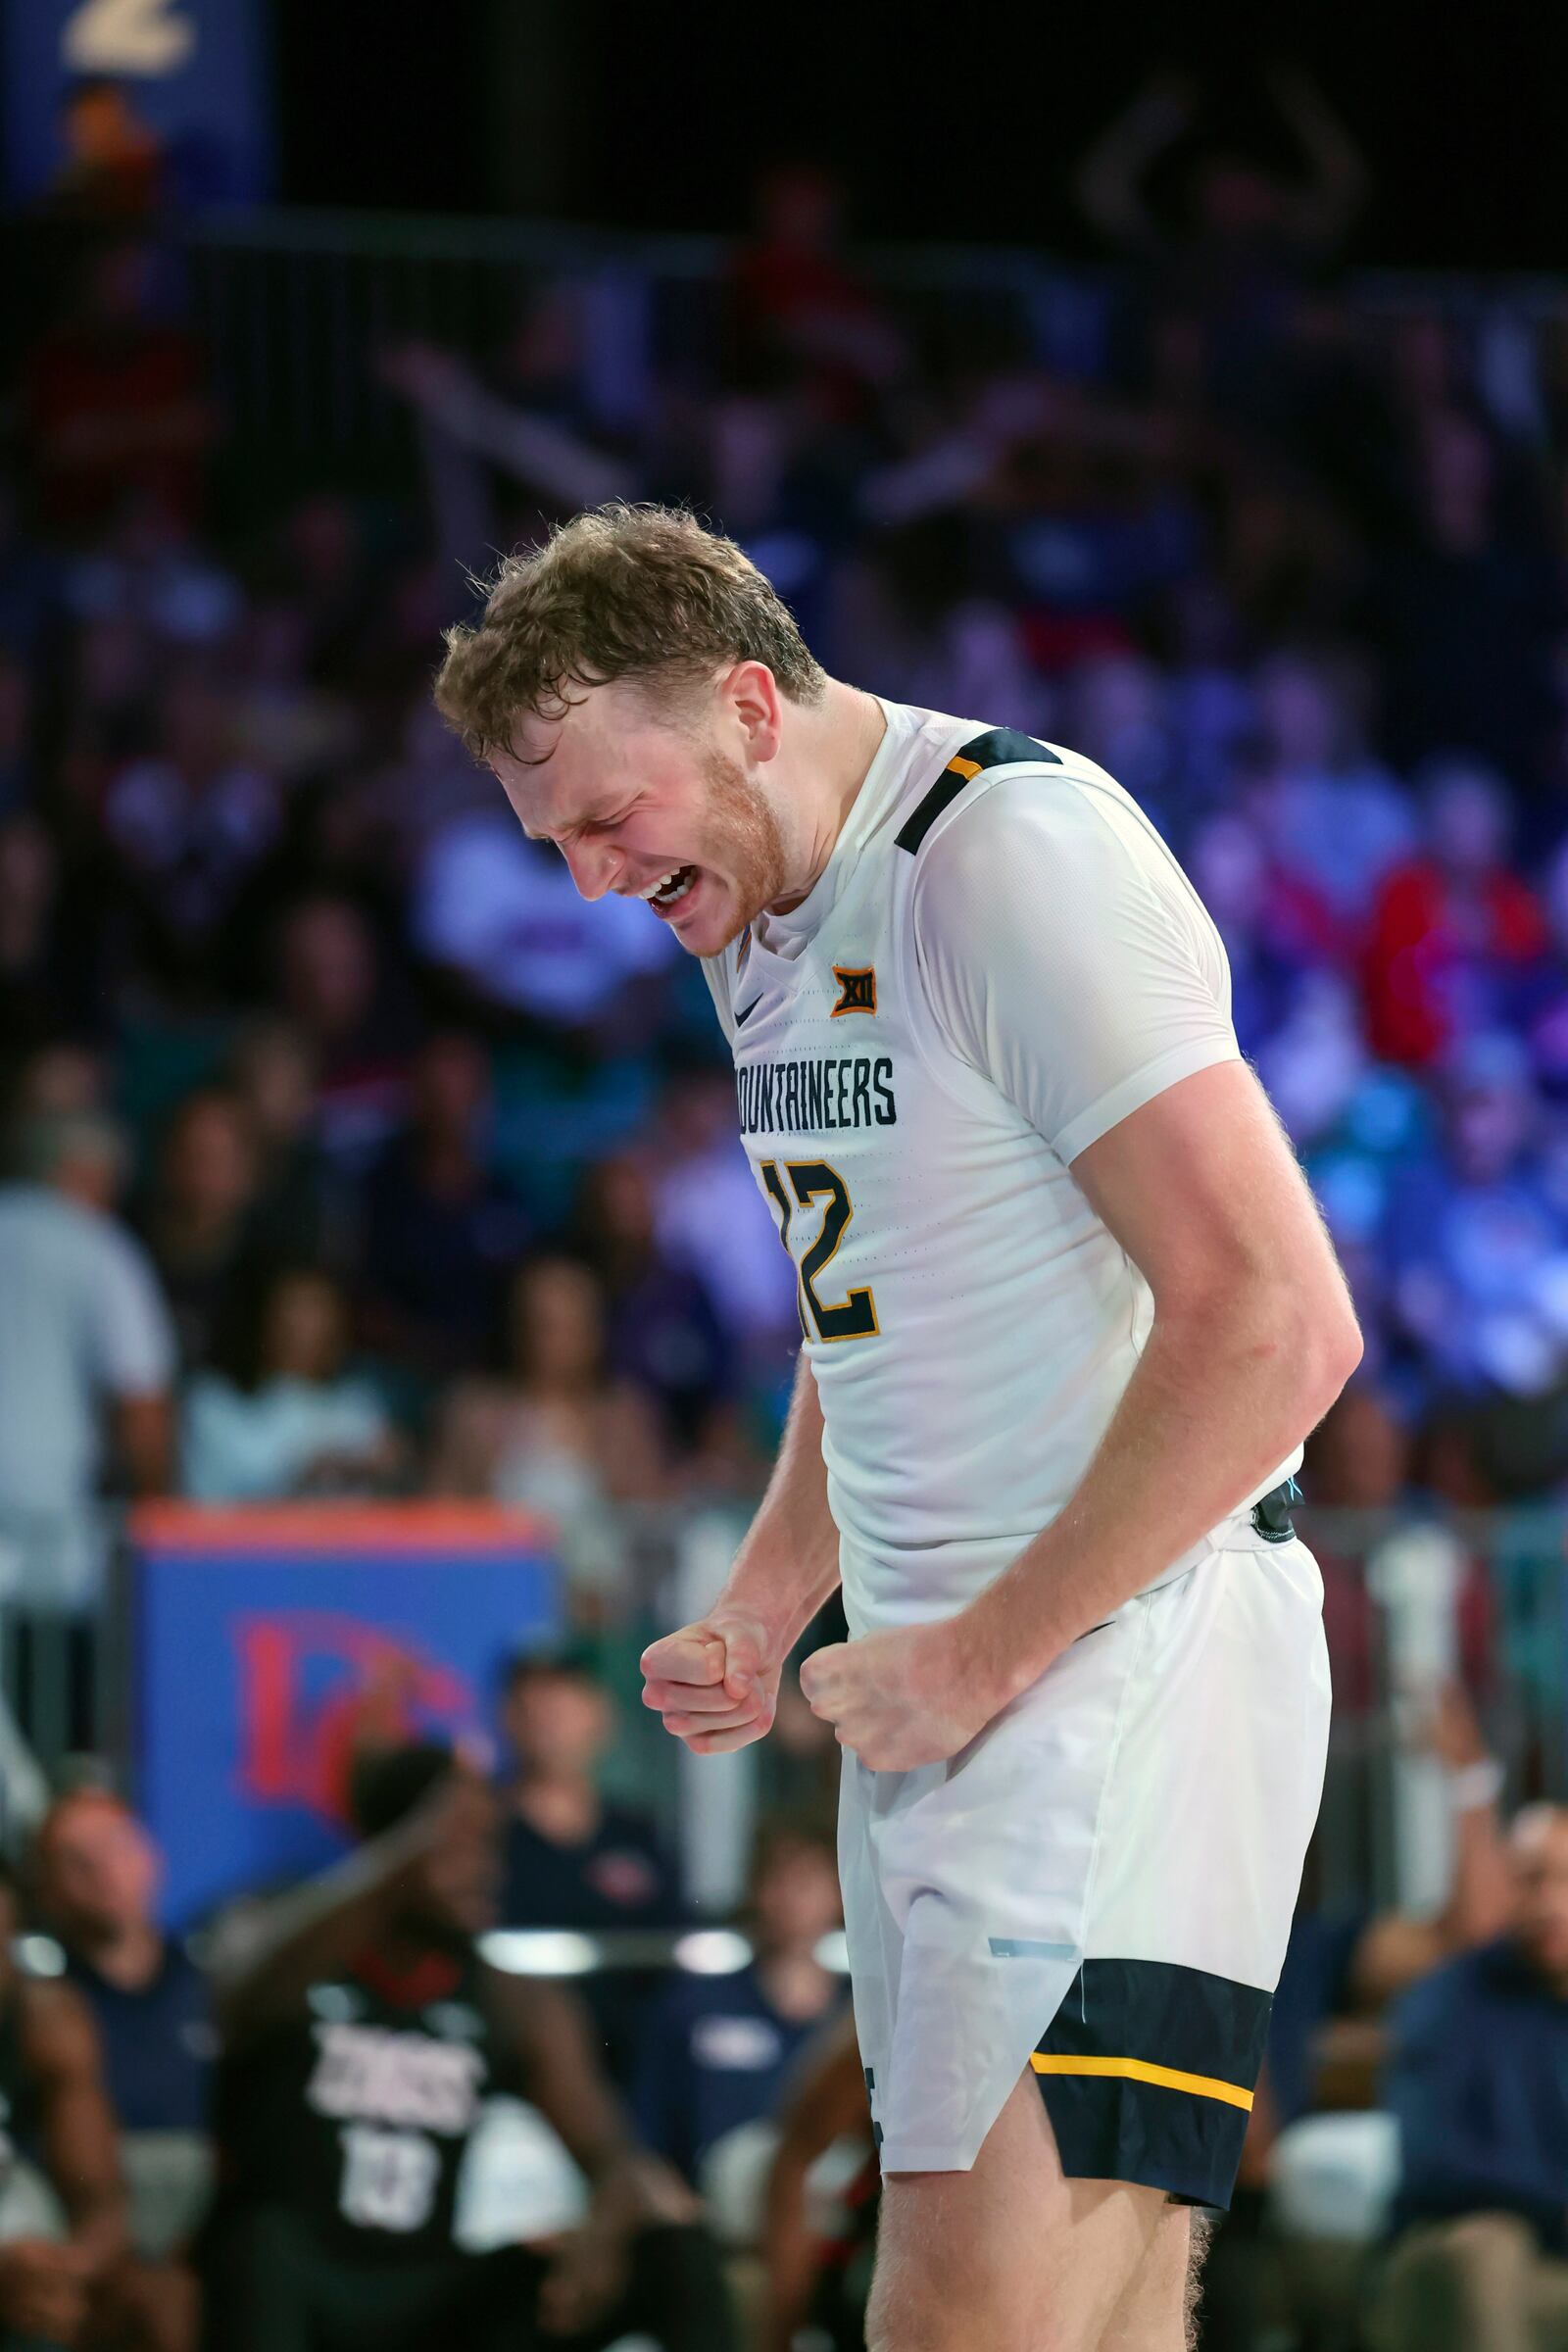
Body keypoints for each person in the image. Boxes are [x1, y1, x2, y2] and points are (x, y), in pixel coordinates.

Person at [432, 503, 1363, 2351]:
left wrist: (978, 1659)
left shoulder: (1003, 856)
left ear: (752, 707)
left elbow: (1279, 1321)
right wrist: (777, 1601)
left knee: (963, 2317)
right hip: (962, 1690)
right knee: (1077, 2323)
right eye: (556, 846)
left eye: (613, 818)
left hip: (1113, 1672)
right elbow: (867, 1319)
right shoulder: (757, 907)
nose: (597, 881)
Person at [201, 1740, 737, 2352]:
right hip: (302, 2285)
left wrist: (609, 2223)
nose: (485, 1869)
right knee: (263, 2244)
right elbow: (237, 1997)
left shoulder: (509, 1997)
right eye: (461, 1845)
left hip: (428, 2293)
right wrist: (408, 1851)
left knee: (673, 2251)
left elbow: (609, 2153)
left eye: (490, 1847)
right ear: (393, 1850)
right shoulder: (297, 1947)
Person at [1366, 1804, 1568, 2352]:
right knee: (1492, 2247)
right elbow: (1436, 2160)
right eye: (1532, 1879)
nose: (1551, 1902)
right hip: (1447, 2245)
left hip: (1553, 2264)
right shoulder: (1446, 2000)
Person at [0, 1112, 173, 1625]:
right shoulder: (100, 1247)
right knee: (53, 1702)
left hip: (38, 1532)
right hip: (52, 1533)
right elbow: (141, 1404)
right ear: (81, 1172)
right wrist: (159, 1506)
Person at [631, 1814, 844, 2187]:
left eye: (807, 1880)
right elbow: (647, 2135)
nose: (791, 1898)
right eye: (776, 1877)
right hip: (709, 2216)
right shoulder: (693, 2007)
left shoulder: (861, 2018)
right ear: (754, 1887)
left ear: (839, 1892)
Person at [31, 1789, 212, 2141]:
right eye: (77, 1860)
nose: (103, 1870)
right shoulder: (39, 2006)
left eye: (115, 1844)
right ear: (47, 1891)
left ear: (152, 1857)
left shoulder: (216, 1983)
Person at [180, 1263, 399, 1503]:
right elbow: (208, 1506)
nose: (307, 1329)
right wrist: (302, 1473)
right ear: (264, 1321)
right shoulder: (215, 1405)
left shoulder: (360, 1405)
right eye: (294, 1311)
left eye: (320, 1312)